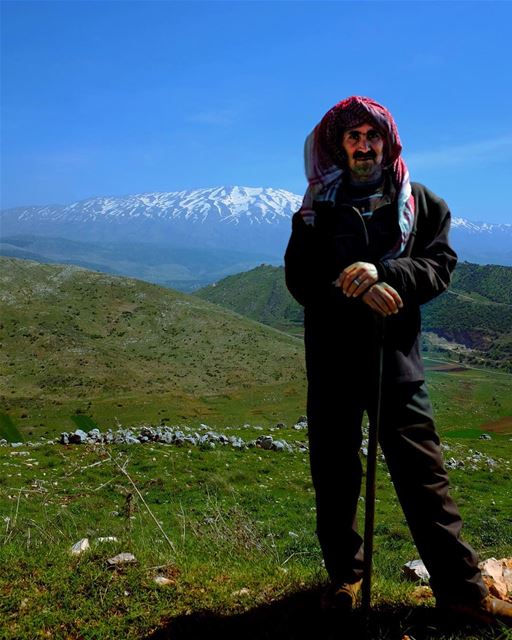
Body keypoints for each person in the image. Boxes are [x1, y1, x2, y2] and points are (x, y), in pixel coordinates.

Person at [284, 96, 512, 626]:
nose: (363, 145)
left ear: (387, 141)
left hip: (398, 365)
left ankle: (462, 592)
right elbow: (300, 279)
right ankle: (346, 580)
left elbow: (439, 266)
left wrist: (387, 274)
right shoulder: (315, 208)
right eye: (352, 137)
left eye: (371, 136)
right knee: (335, 479)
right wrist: (356, 286)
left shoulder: (424, 204)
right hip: (334, 365)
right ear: (337, 146)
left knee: (424, 477)